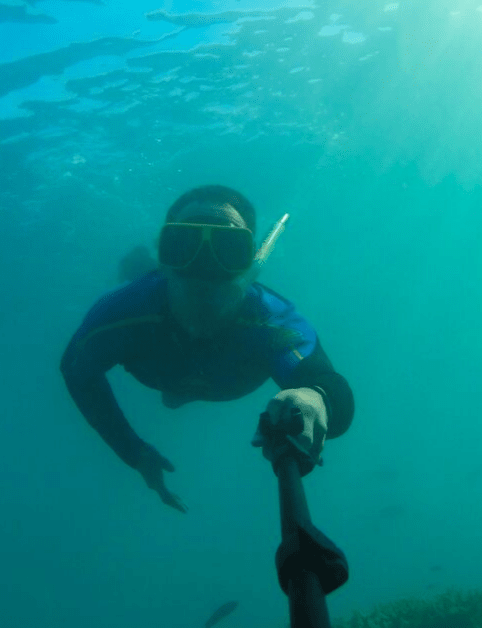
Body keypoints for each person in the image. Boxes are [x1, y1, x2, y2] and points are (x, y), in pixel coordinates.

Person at [60, 185, 355, 513]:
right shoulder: (123, 311)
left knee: (171, 396)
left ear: (249, 260)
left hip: (160, 366)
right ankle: (141, 264)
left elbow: (326, 383)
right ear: (165, 259)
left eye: (227, 249)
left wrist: (315, 398)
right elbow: (76, 370)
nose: (203, 270)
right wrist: (132, 451)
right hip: (179, 348)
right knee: (138, 280)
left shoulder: (271, 322)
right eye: (182, 247)